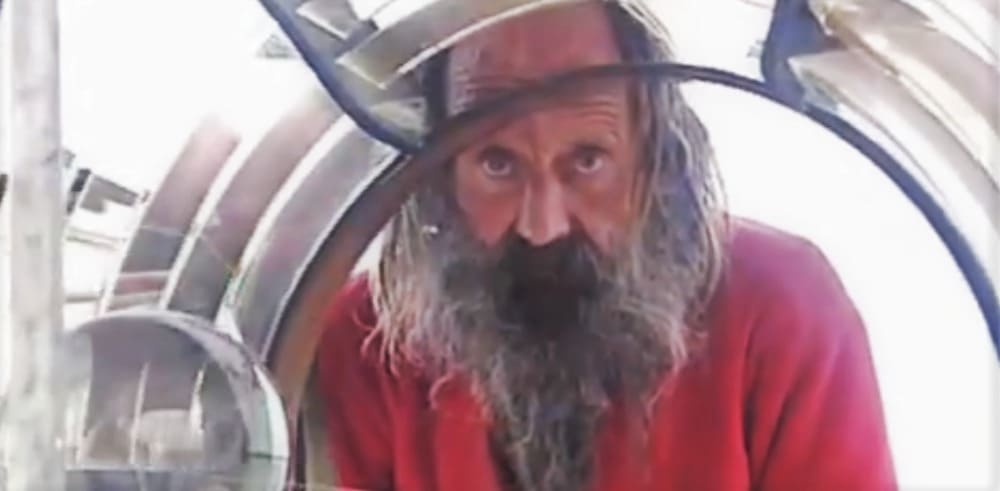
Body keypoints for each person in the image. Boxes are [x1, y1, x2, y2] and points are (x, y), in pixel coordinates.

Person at [316, 2, 897, 490]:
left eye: (588, 160)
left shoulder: (783, 309)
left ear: (653, 155)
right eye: (497, 163)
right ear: (439, 172)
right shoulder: (365, 341)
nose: (542, 226)